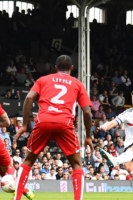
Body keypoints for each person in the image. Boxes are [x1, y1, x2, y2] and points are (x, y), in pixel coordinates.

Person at [13, 55, 92, 200]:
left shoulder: (43, 80)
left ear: (55, 68)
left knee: (28, 161)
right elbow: (87, 112)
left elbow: (29, 98)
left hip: (44, 121)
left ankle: (16, 198)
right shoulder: (78, 84)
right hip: (65, 123)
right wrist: (88, 136)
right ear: (72, 69)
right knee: (76, 164)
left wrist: (24, 125)